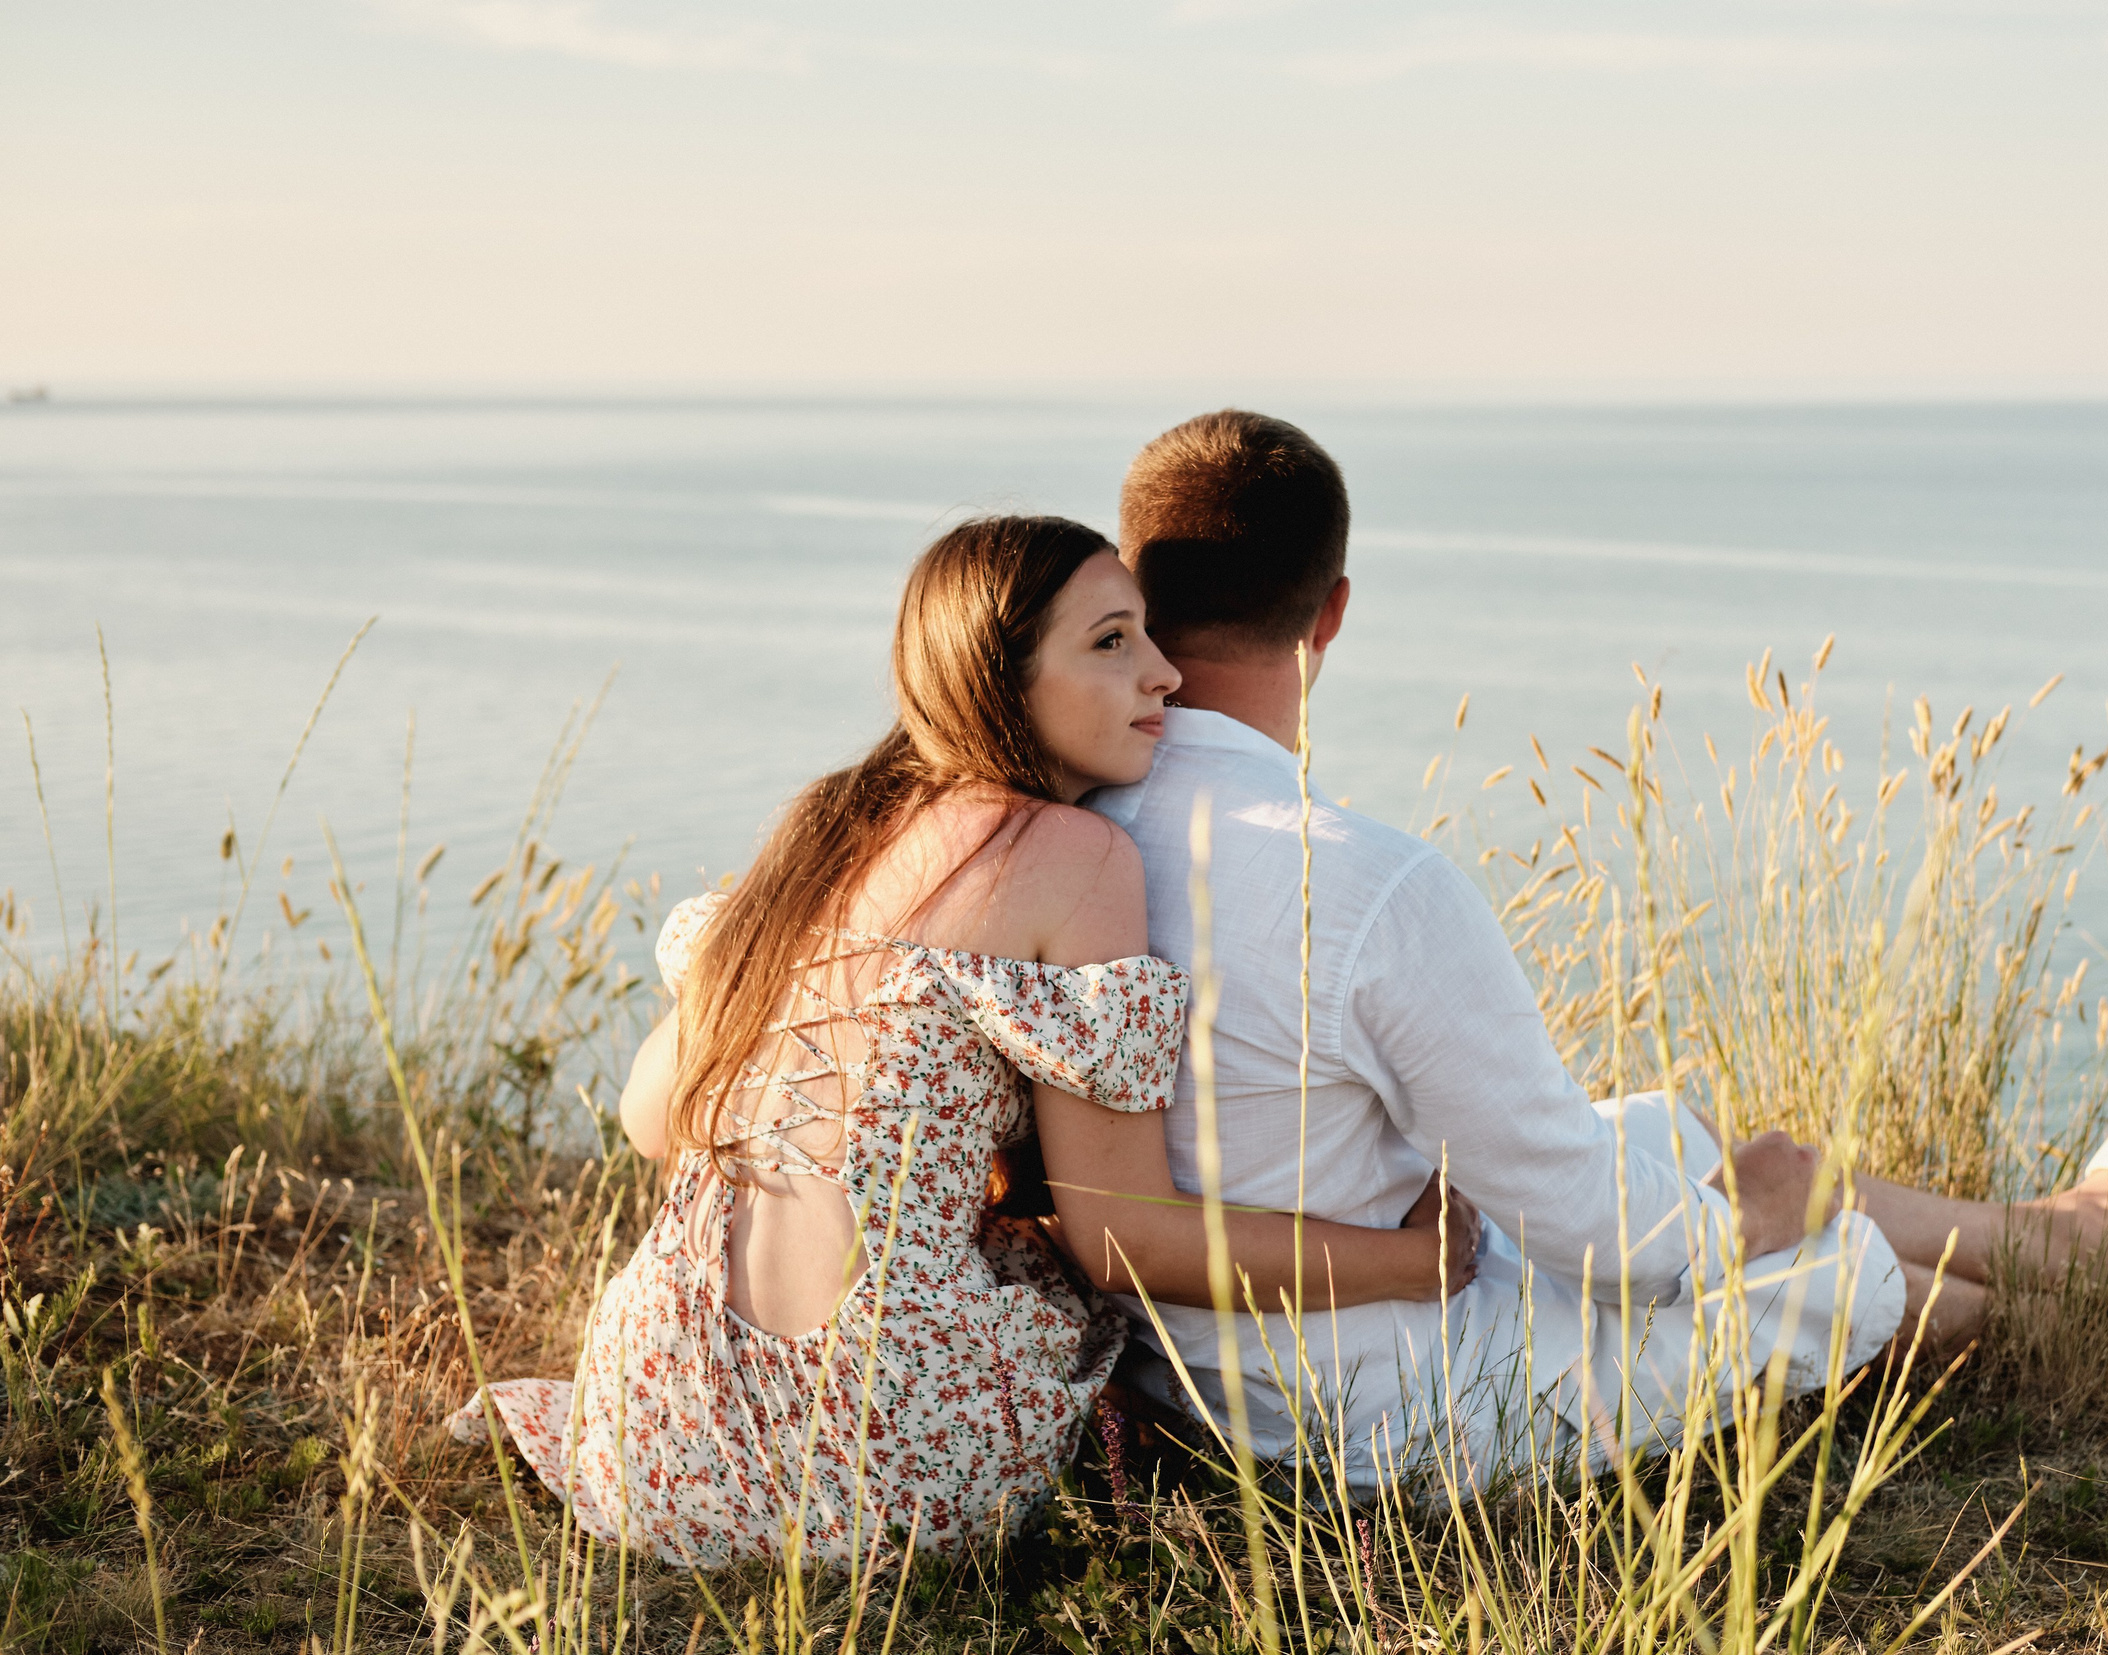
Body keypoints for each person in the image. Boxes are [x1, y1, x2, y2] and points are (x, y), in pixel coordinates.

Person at [1089, 409, 2108, 1487]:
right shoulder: (1363, 882)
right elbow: (1603, 1241)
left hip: (1198, 1369)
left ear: (1136, 592)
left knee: (1660, 1136)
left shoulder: (1069, 837)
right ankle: (2093, 1295)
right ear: (1331, 612)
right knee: (1800, 1246)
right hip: (1381, 1405)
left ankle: (2100, 1244)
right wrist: (1758, 1211)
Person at [449, 515, 1479, 1565]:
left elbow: (651, 1118)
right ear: (1001, 677)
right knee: (1067, 1299)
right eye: (1112, 641)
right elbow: (1124, 1242)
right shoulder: (1076, 854)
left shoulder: (825, 827)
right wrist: (1412, 1259)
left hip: (651, 1430)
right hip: (874, 1472)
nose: (1165, 675)